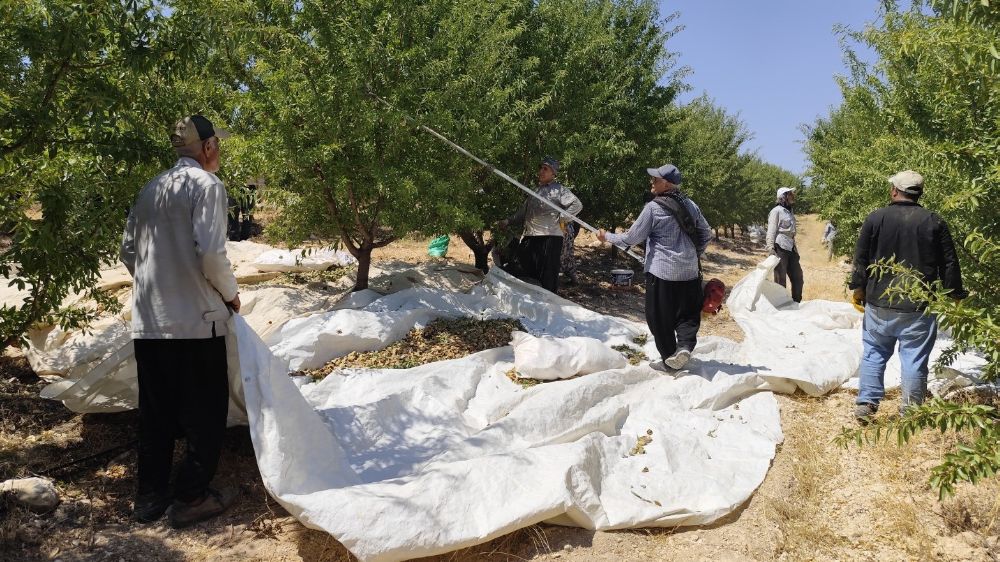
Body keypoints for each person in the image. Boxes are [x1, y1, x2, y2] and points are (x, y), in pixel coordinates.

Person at [120, 115, 240, 528]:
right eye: (217, 146)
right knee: (205, 413)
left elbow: (127, 252)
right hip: (195, 322)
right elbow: (210, 253)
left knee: (155, 413)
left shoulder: (151, 188)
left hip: (150, 322)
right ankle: (191, 496)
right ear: (207, 147)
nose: (219, 152)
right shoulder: (207, 186)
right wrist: (229, 294)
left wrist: (160, 283)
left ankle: (149, 497)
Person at [849, 170, 966, 423]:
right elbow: (949, 263)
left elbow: (861, 258)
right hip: (919, 306)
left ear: (894, 191)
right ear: (919, 193)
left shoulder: (876, 218)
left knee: (874, 352)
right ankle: (910, 413)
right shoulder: (934, 221)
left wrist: (859, 289)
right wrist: (955, 295)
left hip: (879, 301)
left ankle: (866, 404)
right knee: (914, 357)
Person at [596, 164, 712, 371]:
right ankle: (684, 346)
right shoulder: (691, 205)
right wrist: (693, 254)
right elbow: (706, 233)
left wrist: (607, 237)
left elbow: (632, 238)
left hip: (663, 272)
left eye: (656, 179)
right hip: (689, 272)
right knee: (687, 313)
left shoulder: (653, 208)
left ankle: (669, 358)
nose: (652, 182)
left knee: (659, 317)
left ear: (666, 184)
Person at [499, 157, 582, 294]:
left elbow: (577, 205)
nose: (541, 171)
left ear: (553, 174)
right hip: (531, 236)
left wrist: (563, 217)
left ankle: (548, 305)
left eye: (546, 169)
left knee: (547, 275)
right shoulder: (535, 191)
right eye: (541, 168)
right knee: (524, 268)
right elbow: (524, 212)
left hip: (550, 238)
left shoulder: (559, 190)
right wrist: (508, 221)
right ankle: (530, 303)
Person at [765, 186, 803, 302]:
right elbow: (771, 230)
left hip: (791, 247)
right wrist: (771, 248)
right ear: (783, 197)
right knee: (780, 279)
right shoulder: (776, 211)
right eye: (790, 194)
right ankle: (780, 305)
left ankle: (796, 303)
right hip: (780, 246)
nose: (793, 196)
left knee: (798, 277)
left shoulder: (789, 211)